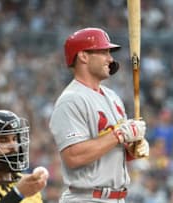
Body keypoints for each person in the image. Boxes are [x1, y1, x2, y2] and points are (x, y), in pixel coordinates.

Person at [49, 27, 149, 203]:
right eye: (103, 52)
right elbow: (74, 156)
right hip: (86, 198)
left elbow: (111, 150)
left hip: (117, 198)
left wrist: (133, 146)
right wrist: (119, 134)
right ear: (83, 56)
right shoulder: (71, 100)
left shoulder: (112, 96)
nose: (110, 59)